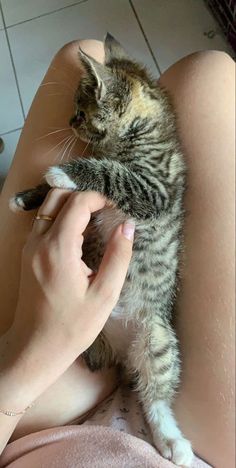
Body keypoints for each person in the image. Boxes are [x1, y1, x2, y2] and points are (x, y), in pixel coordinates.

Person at [0, 40, 234, 468]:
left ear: (118, 105)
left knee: (82, 53)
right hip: (196, 441)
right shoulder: (149, 141)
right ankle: (157, 416)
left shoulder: (154, 155)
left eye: (83, 116)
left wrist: (80, 172)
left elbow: (147, 197)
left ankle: (158, 417)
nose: (75, 123)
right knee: (209, 70)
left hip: (42, 422)